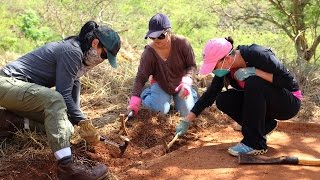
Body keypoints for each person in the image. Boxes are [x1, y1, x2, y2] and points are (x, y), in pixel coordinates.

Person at [0, 20, 121, 179]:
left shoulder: (81, 61)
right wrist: (82, 120)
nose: (103, 60)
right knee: (54, 100)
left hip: (20, 95)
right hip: (7, 83)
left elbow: (72, 101)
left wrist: (77, 121)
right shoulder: (72, 52)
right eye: (104, 55)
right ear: (95, 43)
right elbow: (62, 95)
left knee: (65, 126)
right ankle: (67, 168)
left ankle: (9, 121)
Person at [175, 37, 302, 156]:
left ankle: (255, 144)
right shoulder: (227, 69)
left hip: (288, 103)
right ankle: (265, 126)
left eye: (214, 66)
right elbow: (210, 94)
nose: (213, 71)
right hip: (267, 104)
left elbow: (287, 82)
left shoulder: (258, 54)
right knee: (223, 99)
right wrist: (188, 120)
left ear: (227, 58)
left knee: (254, 82)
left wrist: (255, 72)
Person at [127, 13, 198, 118]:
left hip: (181, 85)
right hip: (160, 85)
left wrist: (187, 82)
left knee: (187, 113)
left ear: (169, 32)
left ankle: (192, 93)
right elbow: (141, 77)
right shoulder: (149, 53)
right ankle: (146, 93)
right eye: (152, 37)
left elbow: (191, 65)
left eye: (160, 36)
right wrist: (134, 100)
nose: (156, 40)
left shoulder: (182, 43)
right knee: (160, 111)